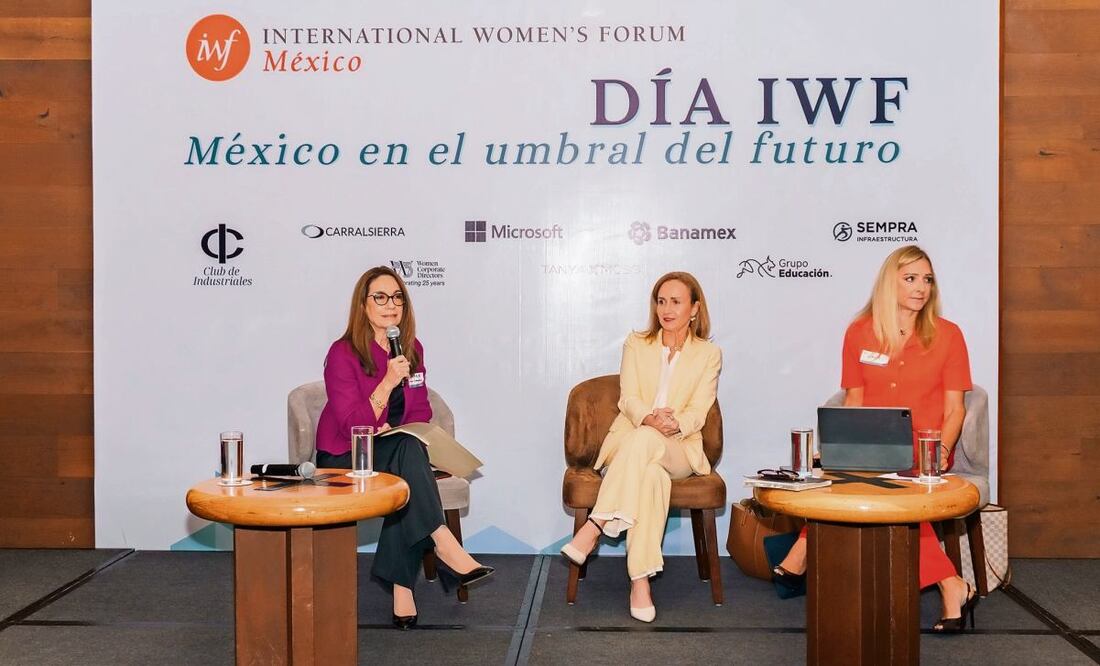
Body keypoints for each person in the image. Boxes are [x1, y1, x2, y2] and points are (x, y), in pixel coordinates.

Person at [772, 245, 978, 633]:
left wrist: (943, 450)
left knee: (893, 485)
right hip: (871, 446)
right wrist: (839, 448)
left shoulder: (949, 336)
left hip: (926, 449)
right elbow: (855, 400)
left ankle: (801, 552)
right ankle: (952, 585)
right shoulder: (859, 332)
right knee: (841, 475)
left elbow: (956, 410)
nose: (921, 288)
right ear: (889, 283)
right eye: (911, 279)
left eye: (927, 280)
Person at [316, 266, 493, 629]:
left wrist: (399, 429)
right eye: (380, 297)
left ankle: (403, 587)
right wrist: (385, 384)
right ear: (362, 305)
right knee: (406, 455)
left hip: (394, 449)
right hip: (345, 455)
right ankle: (441, 543)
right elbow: (352, 425)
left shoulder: (411, 350)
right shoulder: (342, 354)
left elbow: (421, 410)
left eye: (397, 297)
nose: (390, 304)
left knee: (407, 455)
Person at [560, 271, 722, 623]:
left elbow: (700, 408)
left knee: (652, 446)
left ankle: (596, 524)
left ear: (694, 309)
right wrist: (650, 418)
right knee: (651, 476)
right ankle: (640, 582)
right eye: (661, 301)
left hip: (679, 447)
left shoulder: (708, 354)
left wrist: (674, 423)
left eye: (676, 302)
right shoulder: (637, 343)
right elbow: (628, 398)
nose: (666, 309)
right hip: (634, 439)